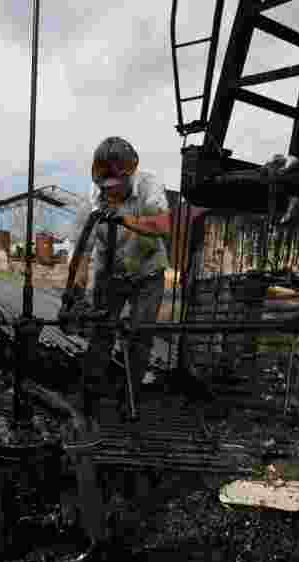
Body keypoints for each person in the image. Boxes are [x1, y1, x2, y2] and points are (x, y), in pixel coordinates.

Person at [63, 137, 173, 451]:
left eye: (116, 184)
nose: (110, 190)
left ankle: (131, 399)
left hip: (147, 273)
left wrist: (126, 220)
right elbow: (82, 254)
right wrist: (77, 293)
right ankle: (87, 401)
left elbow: (163, 225)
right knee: (101, 336)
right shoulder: (92, 204)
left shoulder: (149, 187)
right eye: (104, 184)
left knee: (140, 337)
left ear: (130, 174)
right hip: (110, 275)